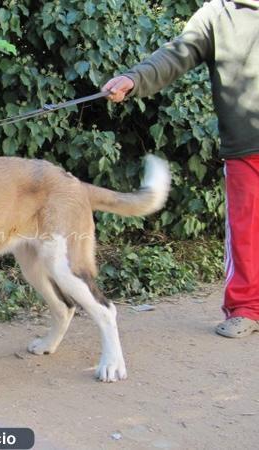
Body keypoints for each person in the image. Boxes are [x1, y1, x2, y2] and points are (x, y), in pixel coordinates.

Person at [102, 0, 259, 338]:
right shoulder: (218, 14)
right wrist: (133, 78)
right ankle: (246, 309)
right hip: (246, 148)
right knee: (245, 232)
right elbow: (175, 54)